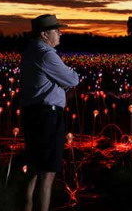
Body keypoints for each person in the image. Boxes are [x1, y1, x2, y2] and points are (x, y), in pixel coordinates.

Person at [19, 14, 79, 211]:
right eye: (56, 30)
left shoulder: (30, 51)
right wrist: (69, 77)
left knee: (34, 170)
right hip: (47, 117)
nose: (60, 33)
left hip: (32, 114)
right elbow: (72, 80)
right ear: (44, 34)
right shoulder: (46, 54)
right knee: (48, 173)